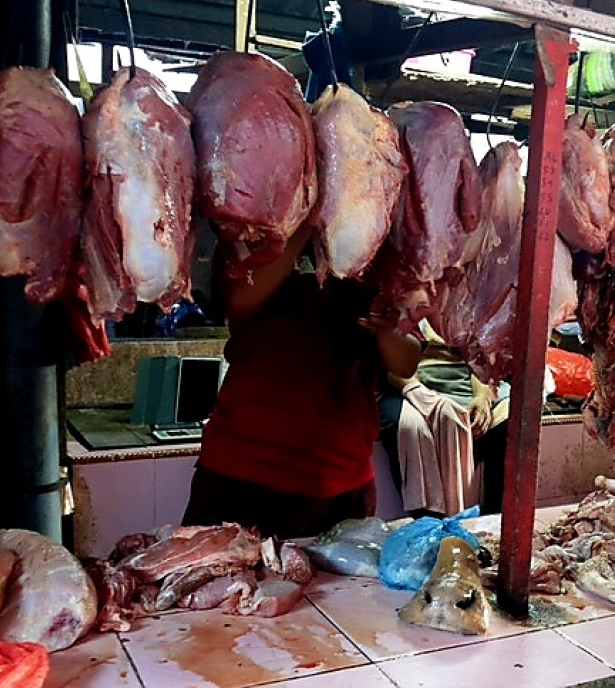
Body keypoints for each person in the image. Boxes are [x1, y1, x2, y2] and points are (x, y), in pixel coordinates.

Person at [181, 219, 421, 538]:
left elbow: (407, 362)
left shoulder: (374, 242)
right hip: (243, 470)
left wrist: (387, 332)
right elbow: (239, 300)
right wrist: (304, 220)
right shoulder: (254, 227)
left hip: (343, 479)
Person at [377, 323, 508, 517]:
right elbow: (394, 366)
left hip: (467, 382)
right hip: (411, 385)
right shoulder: (401, 313)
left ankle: (496, 516)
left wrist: (482, 397)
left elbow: (481, 358)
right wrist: (420, 395)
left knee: (510, 423)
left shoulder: (465, 313)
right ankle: (427, 518)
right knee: (410, 428)